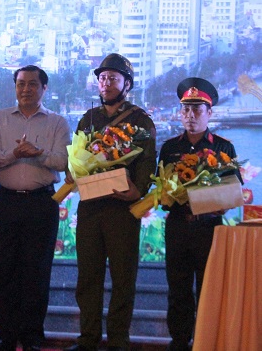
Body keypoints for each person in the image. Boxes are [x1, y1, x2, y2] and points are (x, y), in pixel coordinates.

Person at [64, 53, 157, 351]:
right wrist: (73, 173)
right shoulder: (87, 118)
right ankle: (88, 339)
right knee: (88, 277)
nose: (106, 83)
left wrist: (137, 190)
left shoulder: (141, 120)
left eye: (113, 78)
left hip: (123, 210)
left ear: (126, 84)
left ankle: (118, 341)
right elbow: (75, 158)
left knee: (122, 279)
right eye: (102, 78)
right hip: (90, 208)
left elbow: (147, 162)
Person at [0, 65, 70, 351]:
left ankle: (32, 336)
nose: (26, 89)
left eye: (33, 84)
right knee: (4, 271)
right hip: (7, 201)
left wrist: (38, 154)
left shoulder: (57, 123)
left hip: (41, 202)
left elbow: (63, 162)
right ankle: (6, 335)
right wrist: (15, 154)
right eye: (21, 84)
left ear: (44, 89)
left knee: (37, 271)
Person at [159, 77, 242, 351]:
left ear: (210, 113)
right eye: (185, 110)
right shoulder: (169, 148)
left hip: (209, 229)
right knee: (178, 290)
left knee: (209, 289)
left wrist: (220, 202)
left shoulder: (223, 147)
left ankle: (208, 342)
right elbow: (162, 189)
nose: (190, 116)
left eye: (197, 110)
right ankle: (179, 342)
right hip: (178, 228)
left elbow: (234, 190)